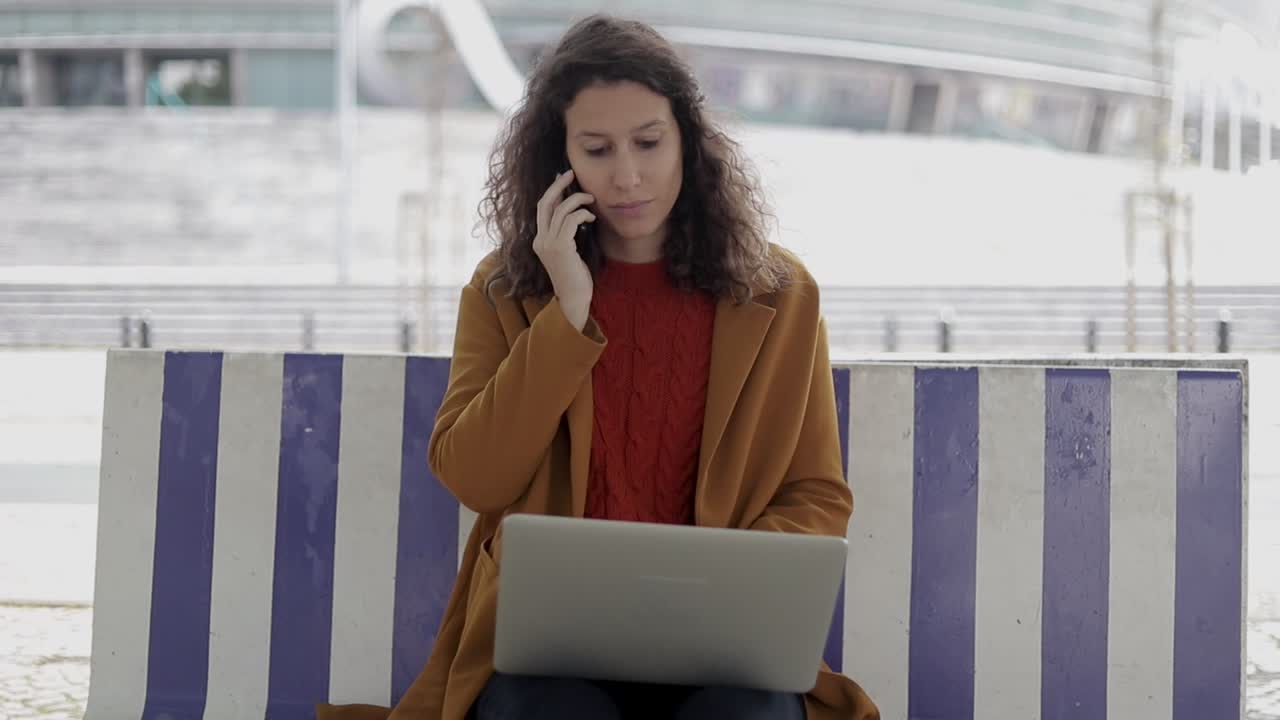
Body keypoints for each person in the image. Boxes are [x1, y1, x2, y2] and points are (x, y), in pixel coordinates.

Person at [318, 13, 879, 720]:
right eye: (597, 149)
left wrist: (720, 586)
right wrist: (567, 315)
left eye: (649, 142)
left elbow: (816, 494)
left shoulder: (779, 295)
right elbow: (473, 476)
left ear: (689, 143)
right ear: (561, 161)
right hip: (549, 658)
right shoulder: (504, 289)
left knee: (745, 716)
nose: (628, 176)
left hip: (724, 652)